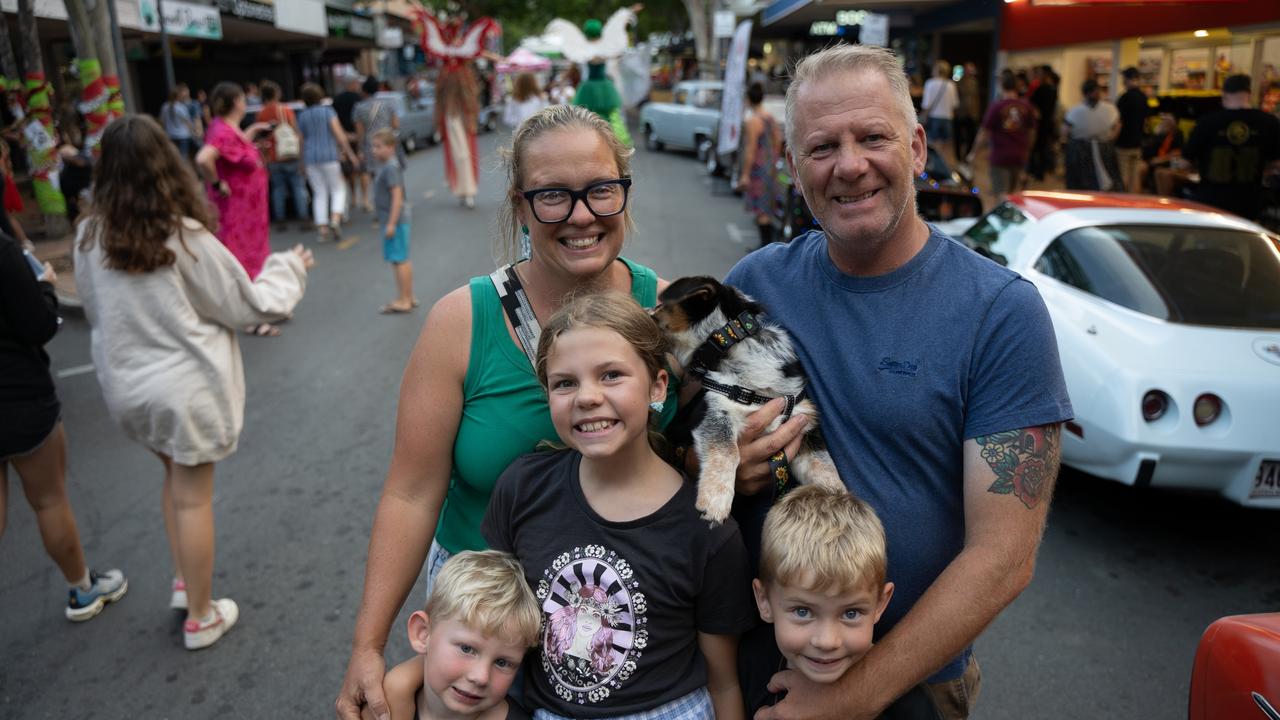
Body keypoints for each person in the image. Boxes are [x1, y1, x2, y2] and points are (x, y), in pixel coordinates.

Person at [336, 104, 782, 720]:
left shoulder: (677, 315)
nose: (580, 216)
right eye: (552, 196)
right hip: (482, 632)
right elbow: (411, 494)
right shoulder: (460, 324)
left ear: (623, 194)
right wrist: (367, 646)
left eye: (601, 191)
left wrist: (742, 466)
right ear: (520, 206)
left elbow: (711, 449)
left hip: (617, 633)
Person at [723, 44, 1072, 720]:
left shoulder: (1000, 313)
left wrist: (853, 695)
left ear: (916, 147)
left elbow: (1003, 557)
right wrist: (725, 469)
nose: (850, 165)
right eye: (822, 147)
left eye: (872, 137)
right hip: (759, 668)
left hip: (909, 687)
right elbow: (699, 457)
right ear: (793, 168)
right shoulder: (754, 287)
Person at [73, 115, 313, 650]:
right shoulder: (182, 237)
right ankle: (201, 616)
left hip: (129, 389)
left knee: (172, 481)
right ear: (166, 166)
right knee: (192, 497)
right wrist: (290, 267)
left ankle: (187, 581)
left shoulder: (88, 236)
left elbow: (95, 311)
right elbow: (247, 304)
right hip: (184, 390)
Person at [482, 290, 755, 719]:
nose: (587, 397)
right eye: (565, 383)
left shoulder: (709, 528)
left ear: (657, 386)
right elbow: (483, 626)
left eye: (611, 375)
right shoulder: (522, 488)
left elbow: (723, 681)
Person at [1, 230, 128, 622]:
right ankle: (82, 588)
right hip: (18, 394)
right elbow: (41, 325)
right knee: (49, 500)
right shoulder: (4, 251)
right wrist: (47, 290)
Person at [741, 485, 940, 719]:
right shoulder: (749, 664)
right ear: (764, 601)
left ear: (880, 604)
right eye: (803, 611)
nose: (827, 641)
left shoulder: (910, 706)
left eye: (851, 613)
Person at [377, 550, 540, 720]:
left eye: (501, 662)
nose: (481, 677)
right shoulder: (382, 706)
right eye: (467, 649)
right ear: (423, 633)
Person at [195, 82, 278, 336]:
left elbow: (237, 147)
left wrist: (252, 132)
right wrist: (217, 183)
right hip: (236, 211)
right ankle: (251, 317)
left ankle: (257, 310)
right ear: (236, 102)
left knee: (251, 257)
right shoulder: (221, 131)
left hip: (250, 211)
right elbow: (203, 158)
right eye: (242, 98)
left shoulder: (227, 129)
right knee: (242, 261)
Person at [1182, 74, 1280, 221]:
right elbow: (1276, 164)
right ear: (1249, 94)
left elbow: (1185, 162)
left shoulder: (1206, 123)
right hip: (1249, 204)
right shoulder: (1269, 123)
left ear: (1224, 94)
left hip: (1210, 201)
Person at [297, 82, 357, 241]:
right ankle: (335, 218)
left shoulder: (302, 116)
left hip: (311, 158)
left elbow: (301, 141)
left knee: (319, 193)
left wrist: (301, 161)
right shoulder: (328, 112)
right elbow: (339, 134)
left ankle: (322, 229)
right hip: (329, 156)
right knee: (338, 189)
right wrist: (350, 153)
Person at [967, 73, 1038, 202]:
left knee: (1000, 194)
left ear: (1001, 86)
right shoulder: (1027, 107)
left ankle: (1002, 220)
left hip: (1000, 156)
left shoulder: (997, 107)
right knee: (1013, 194)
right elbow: (1032, 132)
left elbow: (984, 133)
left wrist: (973, 153)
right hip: (1019, 156)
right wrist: (1027, 151)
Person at [370, 129, 416, 314]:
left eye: (378, 146)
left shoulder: (390, 167)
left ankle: (404, 300)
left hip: (395, 220)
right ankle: (408, 296)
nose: (374, 150)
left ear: (391, 147)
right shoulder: (388, 165)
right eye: (373, 146)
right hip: (395, 220)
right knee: (401, 259)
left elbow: (397, 196)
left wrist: (391, 223)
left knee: (399, 260)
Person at [256, 80, 309, 232]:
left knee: (278, 189)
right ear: (277, 93)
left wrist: (264, 157)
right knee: (298, 187)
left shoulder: (261, 114)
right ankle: (303, 218)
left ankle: (280, 220)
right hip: (289, 154)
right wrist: (300, 152)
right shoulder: (285, 110)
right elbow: (295, 131)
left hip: (272, 156)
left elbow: (261, 137)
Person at [737, 81, 783, 248]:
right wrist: (772, 160)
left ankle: (765, 249)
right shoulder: (770, 118)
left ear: (748, 99)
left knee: (761, 211)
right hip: (769, 168)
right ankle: (767, 247)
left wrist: (745, 174)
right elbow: (778, 142)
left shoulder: (753, 121)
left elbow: (750, 150)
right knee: (767, 209)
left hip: (758, 169)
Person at [1062, 79, 1121, 191]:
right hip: (1081, 149)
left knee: (1104, 181)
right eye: (1095, 91)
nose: (1098, 94)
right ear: (1087, 93)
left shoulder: (1109, 109)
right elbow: (1065, 131)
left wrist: (1111, 138)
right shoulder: (1075, 111)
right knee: (1081, 182)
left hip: (1102, 148)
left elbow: (1117, 125)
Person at [353, 76, 399, 213]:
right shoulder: (388, 104)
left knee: (368, 171)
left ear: (364, 91)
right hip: (386, 141)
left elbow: (359, 131)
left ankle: (366, 199)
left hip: (370, 143)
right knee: (389, 170)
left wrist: (360, 149)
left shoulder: (359, 107)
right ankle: (391, 198)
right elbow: (396, 124)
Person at [1115, 67, 1152, 193]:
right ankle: (1133, 203)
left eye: (1123, 79)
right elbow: (1146, 121)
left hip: (1123, 144)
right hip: (1138, 143)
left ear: (1127, 79)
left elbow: (1119, 122)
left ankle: (1120, 203)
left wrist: (1112, 139)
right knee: (1135, 178)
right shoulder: (1144, 97)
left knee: (1122, 176)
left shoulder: (1124, 98)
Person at [332, 74, 364, 214]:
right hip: (357, 137)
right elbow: (360, 120)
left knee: (347, 170)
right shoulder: (359, 99)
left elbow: (334, 120)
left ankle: (352, 197)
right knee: (361, 168)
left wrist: (342, 135)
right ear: (353, 84)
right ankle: (363, 197)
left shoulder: (336, 100)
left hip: (342, 137)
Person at [920, 61, 959, 163]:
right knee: (946, 145)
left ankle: (935, 165)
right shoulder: (951, 85)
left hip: (934, 117)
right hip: (948, 118)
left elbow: (926, 104)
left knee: (933, 144)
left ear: (936, 70)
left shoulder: (930, 83)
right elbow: (955, 104)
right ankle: (944, 165)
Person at [1026, 66, 1059, 181]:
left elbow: (1032, 106)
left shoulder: (1040, 89)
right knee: (1043, 148)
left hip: (1039, 124)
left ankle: (1035, 171)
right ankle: (1040, 172)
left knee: (1035, 147)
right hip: (1048, 123)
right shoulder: (1053, 89)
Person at [160, 83, 199, 159]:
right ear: (178, 96)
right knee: (184, 157)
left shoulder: (164, 107)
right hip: (183, 136)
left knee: (175, 157)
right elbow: (187, 123)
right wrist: (195, 132)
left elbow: (162, 121)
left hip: (170, 135)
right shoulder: (181, 107)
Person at [953, 62, 981, 163]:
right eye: (969, 69)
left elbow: (976, 98)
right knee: (958, 136)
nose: (971, 71)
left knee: (971, 136)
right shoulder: (958, 82)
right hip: (960, 113)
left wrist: (976, 113)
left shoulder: (975, 82)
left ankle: (966, 156)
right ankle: (958, 157)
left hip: (971, 114)